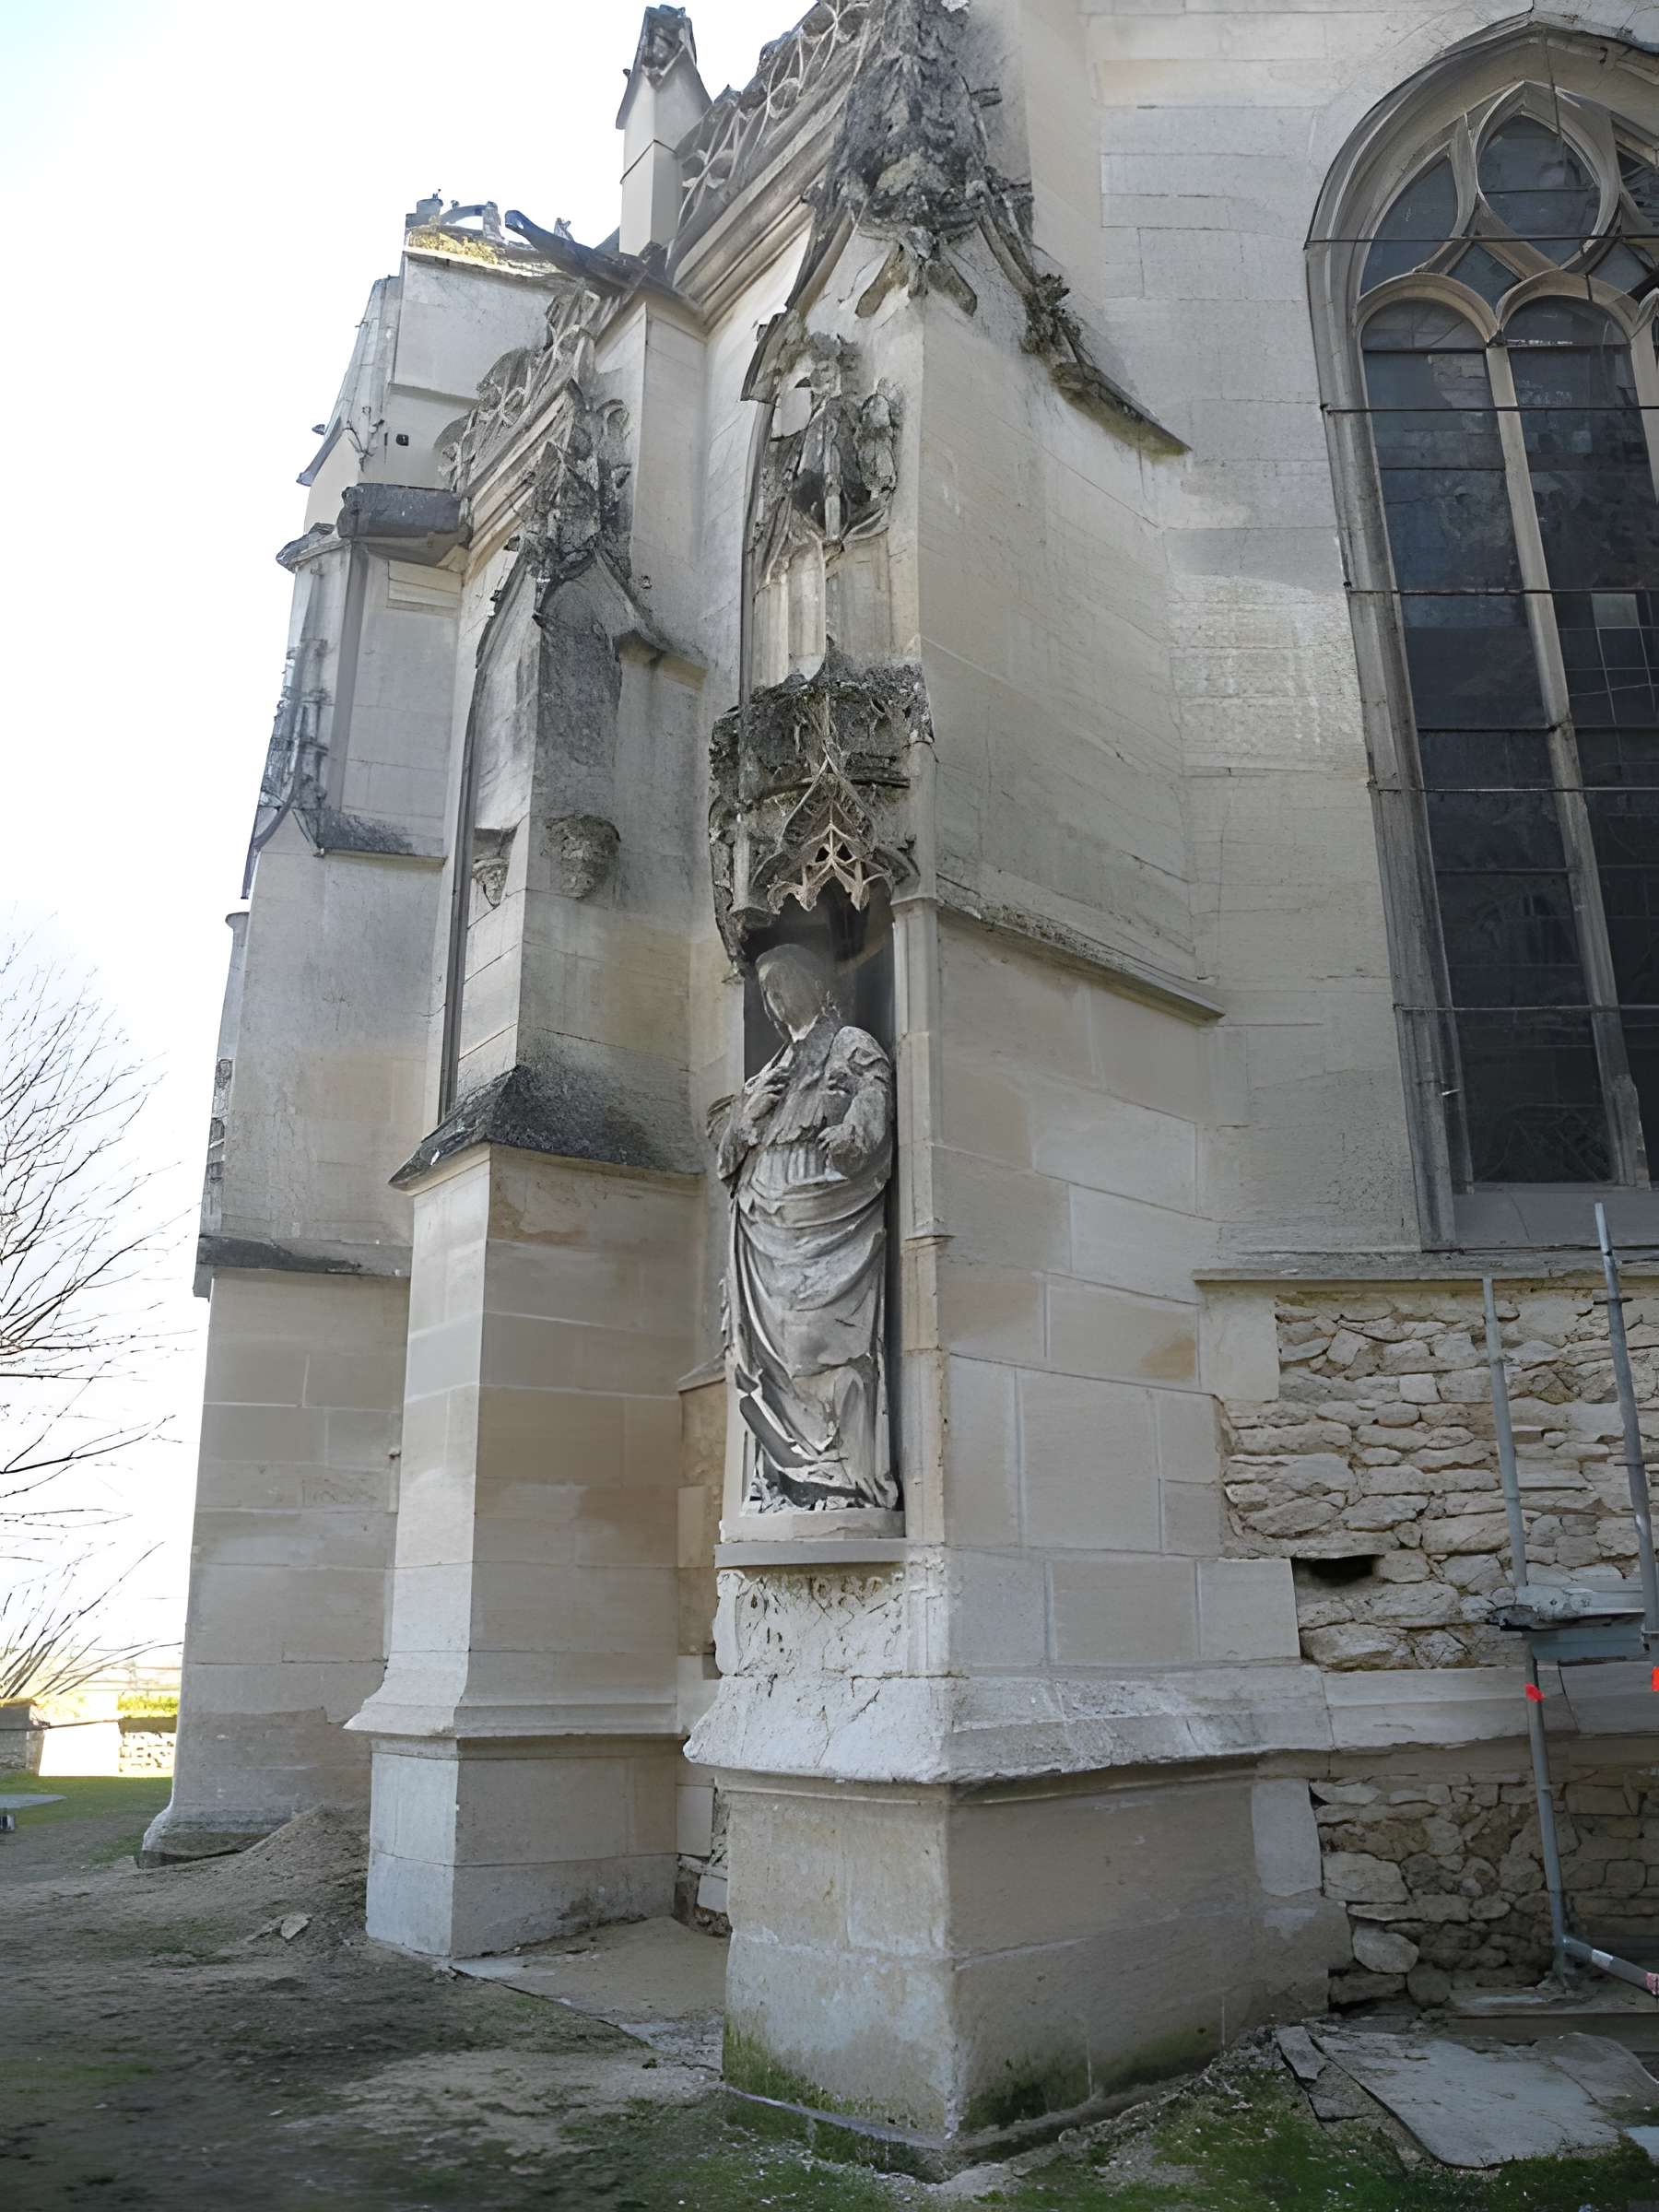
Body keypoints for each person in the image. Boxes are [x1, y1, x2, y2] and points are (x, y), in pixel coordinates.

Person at [717, 945, 897, 1512]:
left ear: (817, 985)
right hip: (762, 1227)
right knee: (772, 1357)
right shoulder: (770, 1070)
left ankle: (844, 1474)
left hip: (826, 1218)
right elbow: (725, 1161)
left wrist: (854, 1136)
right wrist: (746, 1121)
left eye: (784, 983)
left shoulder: (848, 1045)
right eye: (767, 990)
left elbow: (877, 1092)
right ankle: (790, 1471)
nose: (774, 997)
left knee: (822, 1342)